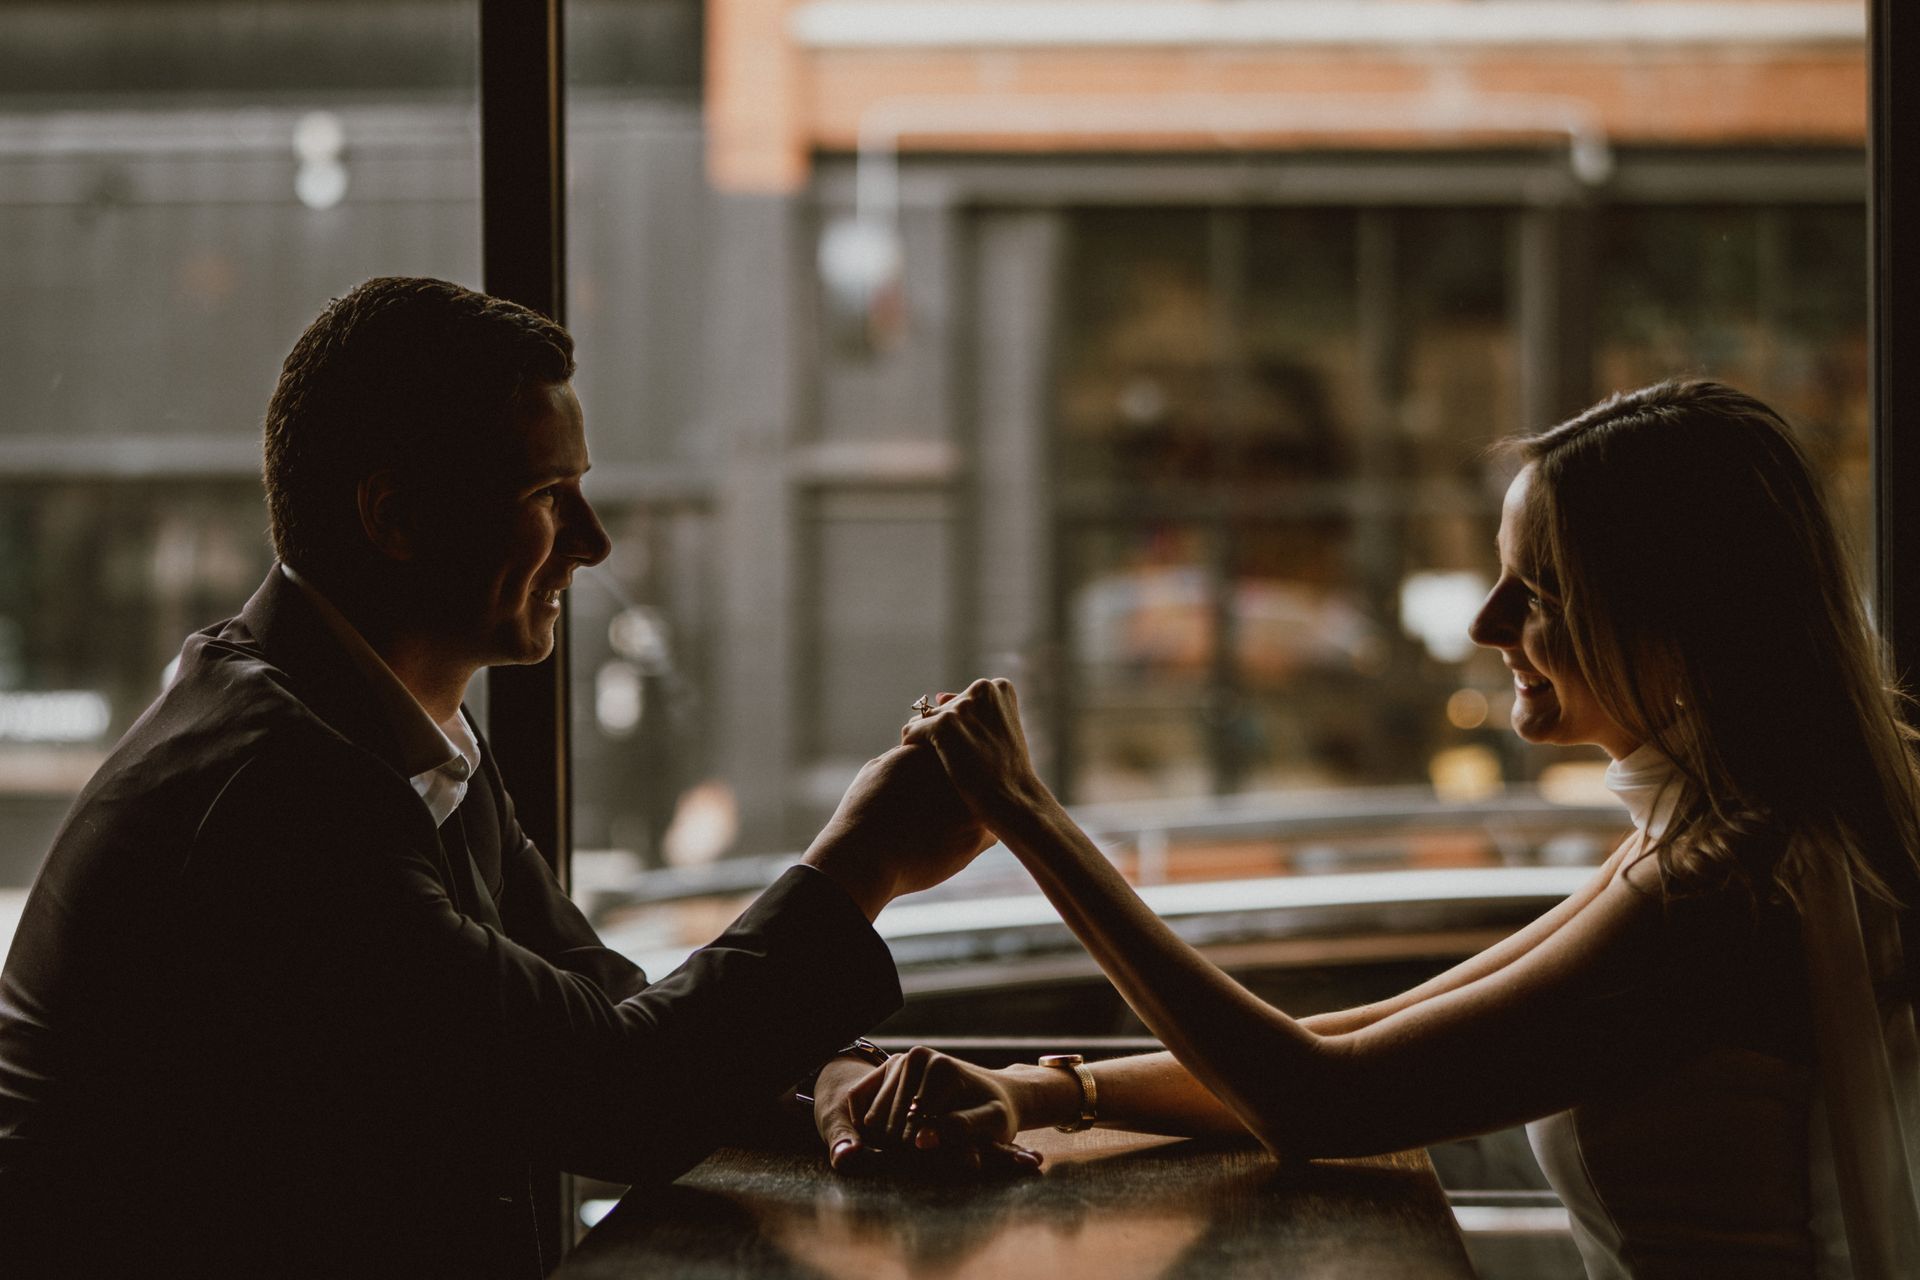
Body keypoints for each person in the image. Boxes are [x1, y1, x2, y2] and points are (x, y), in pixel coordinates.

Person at [0, 277, 987, 1278]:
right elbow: (616, 1092)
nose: (593, 542)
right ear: (394, 517)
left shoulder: (379, 721)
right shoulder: (280, 787)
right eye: (546, 497)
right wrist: (865, 860)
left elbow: (590, 995)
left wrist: (822, 1073)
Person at [841, 380, 1920, 1279]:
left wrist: (1025, 811)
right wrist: (1044, 1088)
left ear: (1676, 620)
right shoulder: (1721, 836)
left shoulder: (1718, 888)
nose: (1485, 622)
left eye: (1537, 588)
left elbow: (1320, 1098)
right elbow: (1356, 1040)